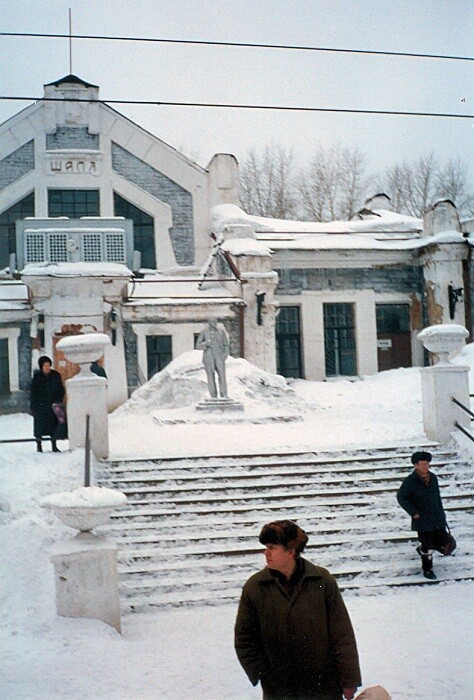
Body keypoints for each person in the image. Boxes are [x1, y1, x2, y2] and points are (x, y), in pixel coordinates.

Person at [235, 520, 361, 700]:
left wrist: (349, 680)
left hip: (323, 687)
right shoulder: (255, 587)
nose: (266, 552)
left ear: (291, 551)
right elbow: (244, 637)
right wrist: (262, 673)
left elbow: (342, 634)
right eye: (266, 547)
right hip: (279, 691)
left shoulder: (322, 581)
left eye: (272, 547)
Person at [397, 450, 454, 580]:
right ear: (416, 465)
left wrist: (442, 514)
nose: (426, 466)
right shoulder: (410, 481)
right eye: (423, 464)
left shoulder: (433, 478)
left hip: (436, 518)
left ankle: (422, 548)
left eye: (427, 464)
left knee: (445, 543)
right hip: (422, 519)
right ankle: (427, 569)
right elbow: (401, 497)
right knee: (427, 548)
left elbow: (437, 497)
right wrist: (413, 512)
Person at [30, 355, 65, 453]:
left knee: (53, 426)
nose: (47, 367)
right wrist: (33, 407)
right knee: (39, 427)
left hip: (52, 405)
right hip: (40, 406)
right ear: (41, 366)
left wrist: (57, 400)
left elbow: (61, 389)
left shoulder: (56, 375)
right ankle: (39, 446)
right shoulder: (37, 377)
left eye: (48, 365)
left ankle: (54, 445)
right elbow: (33, 392)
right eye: (45, 365)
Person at [196, 319, 229, 398]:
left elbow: (226, 344)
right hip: (209, 356)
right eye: (213, 322)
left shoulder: (221, 332)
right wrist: (206, 343)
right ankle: (213, 395)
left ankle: (223, 394)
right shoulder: (204, 332)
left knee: (222, 375)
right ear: (209, 323)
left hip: (219, 356)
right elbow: (198, 345)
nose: (215, 323)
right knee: (211, 376)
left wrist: (225, 354)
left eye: (215, 322)